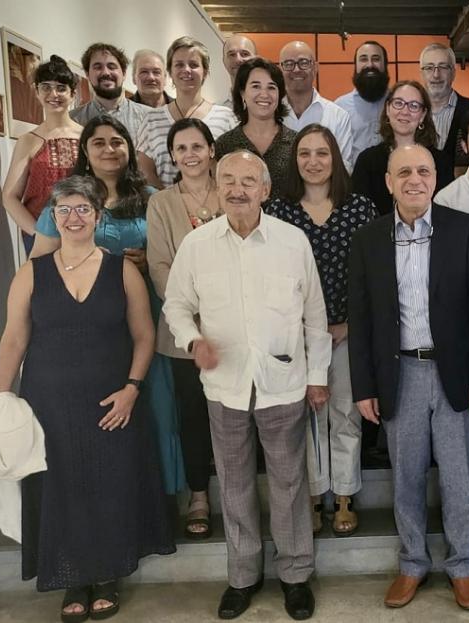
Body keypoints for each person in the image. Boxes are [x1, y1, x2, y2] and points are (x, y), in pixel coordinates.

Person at [0, 174, 174, 622]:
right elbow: (13, 340)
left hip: (112, 401)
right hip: (48, 403)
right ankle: (73, 577)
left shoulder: (122, 270)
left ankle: (107, 573)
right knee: (62, 489)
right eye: (64, 210)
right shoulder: (31, 273)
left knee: (110, 486)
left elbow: (144, 335)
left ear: (97, 216)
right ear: (53, 217)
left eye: (83, 209)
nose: (73, 218)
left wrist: (132, 389)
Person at [163, 150, 330, 621]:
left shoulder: (292, 241)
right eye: (229, 181)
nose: (237, 190)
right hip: (225, 386)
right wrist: (193, 340)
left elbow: (315, 316)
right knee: (234, 485)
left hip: (283, 382)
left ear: (265, 190)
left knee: (290, 484)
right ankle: (242, 577)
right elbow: (176, 305)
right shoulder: (197, 245)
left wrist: (318, 377)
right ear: (217, 187)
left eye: (248, 181)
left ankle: (295, 575)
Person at [348, 144, 469, 610]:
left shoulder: (464, 229)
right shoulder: (367, 239)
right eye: (404, 173)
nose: (414, 180)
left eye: (423, 171)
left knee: (458, 477)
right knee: (407, 477)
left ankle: (463, 567)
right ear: (389, 182)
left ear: (436, 178)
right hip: (400, 374)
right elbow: (361, 318)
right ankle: (412, 563)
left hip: (454, 373)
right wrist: (364, 386)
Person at [30, 115, 185, 497]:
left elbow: (178, 255)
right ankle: (107, 498)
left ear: (129, 148)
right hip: (90, 322)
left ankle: (160, 496)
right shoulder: (67, 200)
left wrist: (150, 260)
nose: (109, 149)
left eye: (117, 141)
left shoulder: (152, 197)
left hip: (146, 312)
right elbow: (40, 265)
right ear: (85, 150)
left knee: (157, 402)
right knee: (99, 406)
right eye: (98, 142)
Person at [268, 123, 377, 536]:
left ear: (336, 159)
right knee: (307, 417)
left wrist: (348, 324)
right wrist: (301, 328)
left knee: (346, 413)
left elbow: (372, 275)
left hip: (349, 331)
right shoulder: (278, 210)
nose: (313, 162)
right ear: (294, 161)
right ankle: (314, 495)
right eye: (305, 153)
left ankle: (345, 495)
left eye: (322, 153)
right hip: (296, 336)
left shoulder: (359, 208)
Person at [147, 118, 222, 540]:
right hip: (184, 333)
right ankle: (199, 495)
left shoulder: (231, 189)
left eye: (197, 146)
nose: (190, 155)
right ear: (172, 157)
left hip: (235, 327)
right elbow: (159, 265)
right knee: (192, 416)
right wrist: (191, 319)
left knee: (236, 414)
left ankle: (239, 491)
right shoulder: (161, 203)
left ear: (211, 150)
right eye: (181, 148)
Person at [2, 55, 82, 254]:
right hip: (41, 236)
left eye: (61, 88)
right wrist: (38, 234)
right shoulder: (28, 140)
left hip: (84, 232)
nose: (53, 94)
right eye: (46, 87)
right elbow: (10, 196)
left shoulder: (87, 137)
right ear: (36, 91)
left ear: (72, 93)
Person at [138, 36, 236, 188]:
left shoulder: (225, 117)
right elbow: (146, 172)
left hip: (214, 201)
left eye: (194, 65)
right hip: (164, 201)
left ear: (205, 72)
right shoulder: (152, 120)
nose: (186, 70)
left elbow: (232, 168)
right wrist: (168, 199)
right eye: (179, 65)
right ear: (170, 72)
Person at [351, 80, 453, 216]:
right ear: (388, 109)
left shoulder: (441, 162)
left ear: (422, 115)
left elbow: (445, 214)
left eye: (414, 106)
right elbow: (359, 213)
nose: (405, 111)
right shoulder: (367, 161)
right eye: (398, 103)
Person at [215, 58, 295, 201]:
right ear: (242, 93)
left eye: (271, 87)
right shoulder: (224, 145)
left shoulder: (296, 142)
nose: (264, 94)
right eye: (256, 86)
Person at [279, 40, 355, 172]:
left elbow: (343, 168)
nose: (296, 69)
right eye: (289, 64)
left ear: (315, 68)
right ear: (280, 69)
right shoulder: (270, 113)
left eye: (303, 63)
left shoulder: (338, 116)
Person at [70, 43, 152, 140]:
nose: (106, 72)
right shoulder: (73, 120)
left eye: (112, 66)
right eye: (98, 67)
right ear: (87, 74)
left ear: (124, 73)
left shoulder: (149, 118)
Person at [418, 43, 469, 166]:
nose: (436, 74)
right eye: (429, 68)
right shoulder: (410, 114)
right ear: (421, 74)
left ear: (453, 73)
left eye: (443, 67)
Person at [335, 41, 390, 163]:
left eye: (376, 59)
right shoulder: (340, 107)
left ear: (385, 65)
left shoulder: (399, 103)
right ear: (356, 66)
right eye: (363, 59)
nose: (370, 65)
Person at [221, 34, 258, 106]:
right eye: (232, 54)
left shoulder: (273, 105)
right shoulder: (218, 110)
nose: (238, 59)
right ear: (224, 61)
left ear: (256, 60)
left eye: (245, 54)